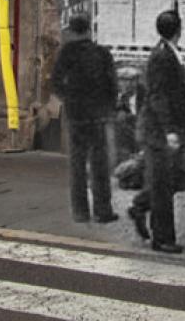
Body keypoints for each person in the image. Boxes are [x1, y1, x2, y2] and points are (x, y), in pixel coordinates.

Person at [48, 14, 119, 224]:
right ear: (89, 30)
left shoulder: (66, 54)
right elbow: (111, 84)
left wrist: (68, 98)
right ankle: (103, 210)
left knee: (77, 164)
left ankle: (80, 211)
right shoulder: (102, 53)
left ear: (72, 31)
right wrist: (109, 107)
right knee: (100, 163)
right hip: (97, 115)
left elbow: (56, 82)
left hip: (76, 114)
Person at [140, 10, 185, 253]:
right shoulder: (162, 57)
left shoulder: (167, 52)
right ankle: (162, 238)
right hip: (159, 130)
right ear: (179, 29)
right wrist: (169, 130)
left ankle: (140, 209)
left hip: (163, 128)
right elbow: (158, 96)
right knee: (162, 184)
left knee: (168, 181)